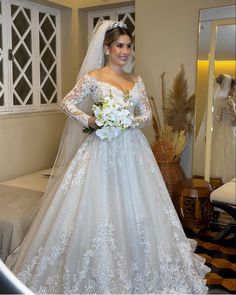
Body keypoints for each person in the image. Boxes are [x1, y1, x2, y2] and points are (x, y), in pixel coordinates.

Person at [6, 20, 209, 294]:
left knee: (136, 204)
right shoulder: (93, 77)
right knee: (96, 204)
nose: (125, 51)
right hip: (99, 149)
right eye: (119, 46)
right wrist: (92, 119)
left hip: (132, 150)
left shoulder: (136, 79)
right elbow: (65, 103)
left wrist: (124, 121)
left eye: (128, 46)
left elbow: (146, 116)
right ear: (106, 48)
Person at [194, 74, 236, 182]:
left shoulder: (217, 100)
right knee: (226, 156)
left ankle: (214, 183)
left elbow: (215, 119)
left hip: (218, 132)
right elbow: (234, 121)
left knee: (216, 156)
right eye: (233, 88)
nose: (234, 90)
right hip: (227, 133)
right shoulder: (229, 102)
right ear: (229, 88)